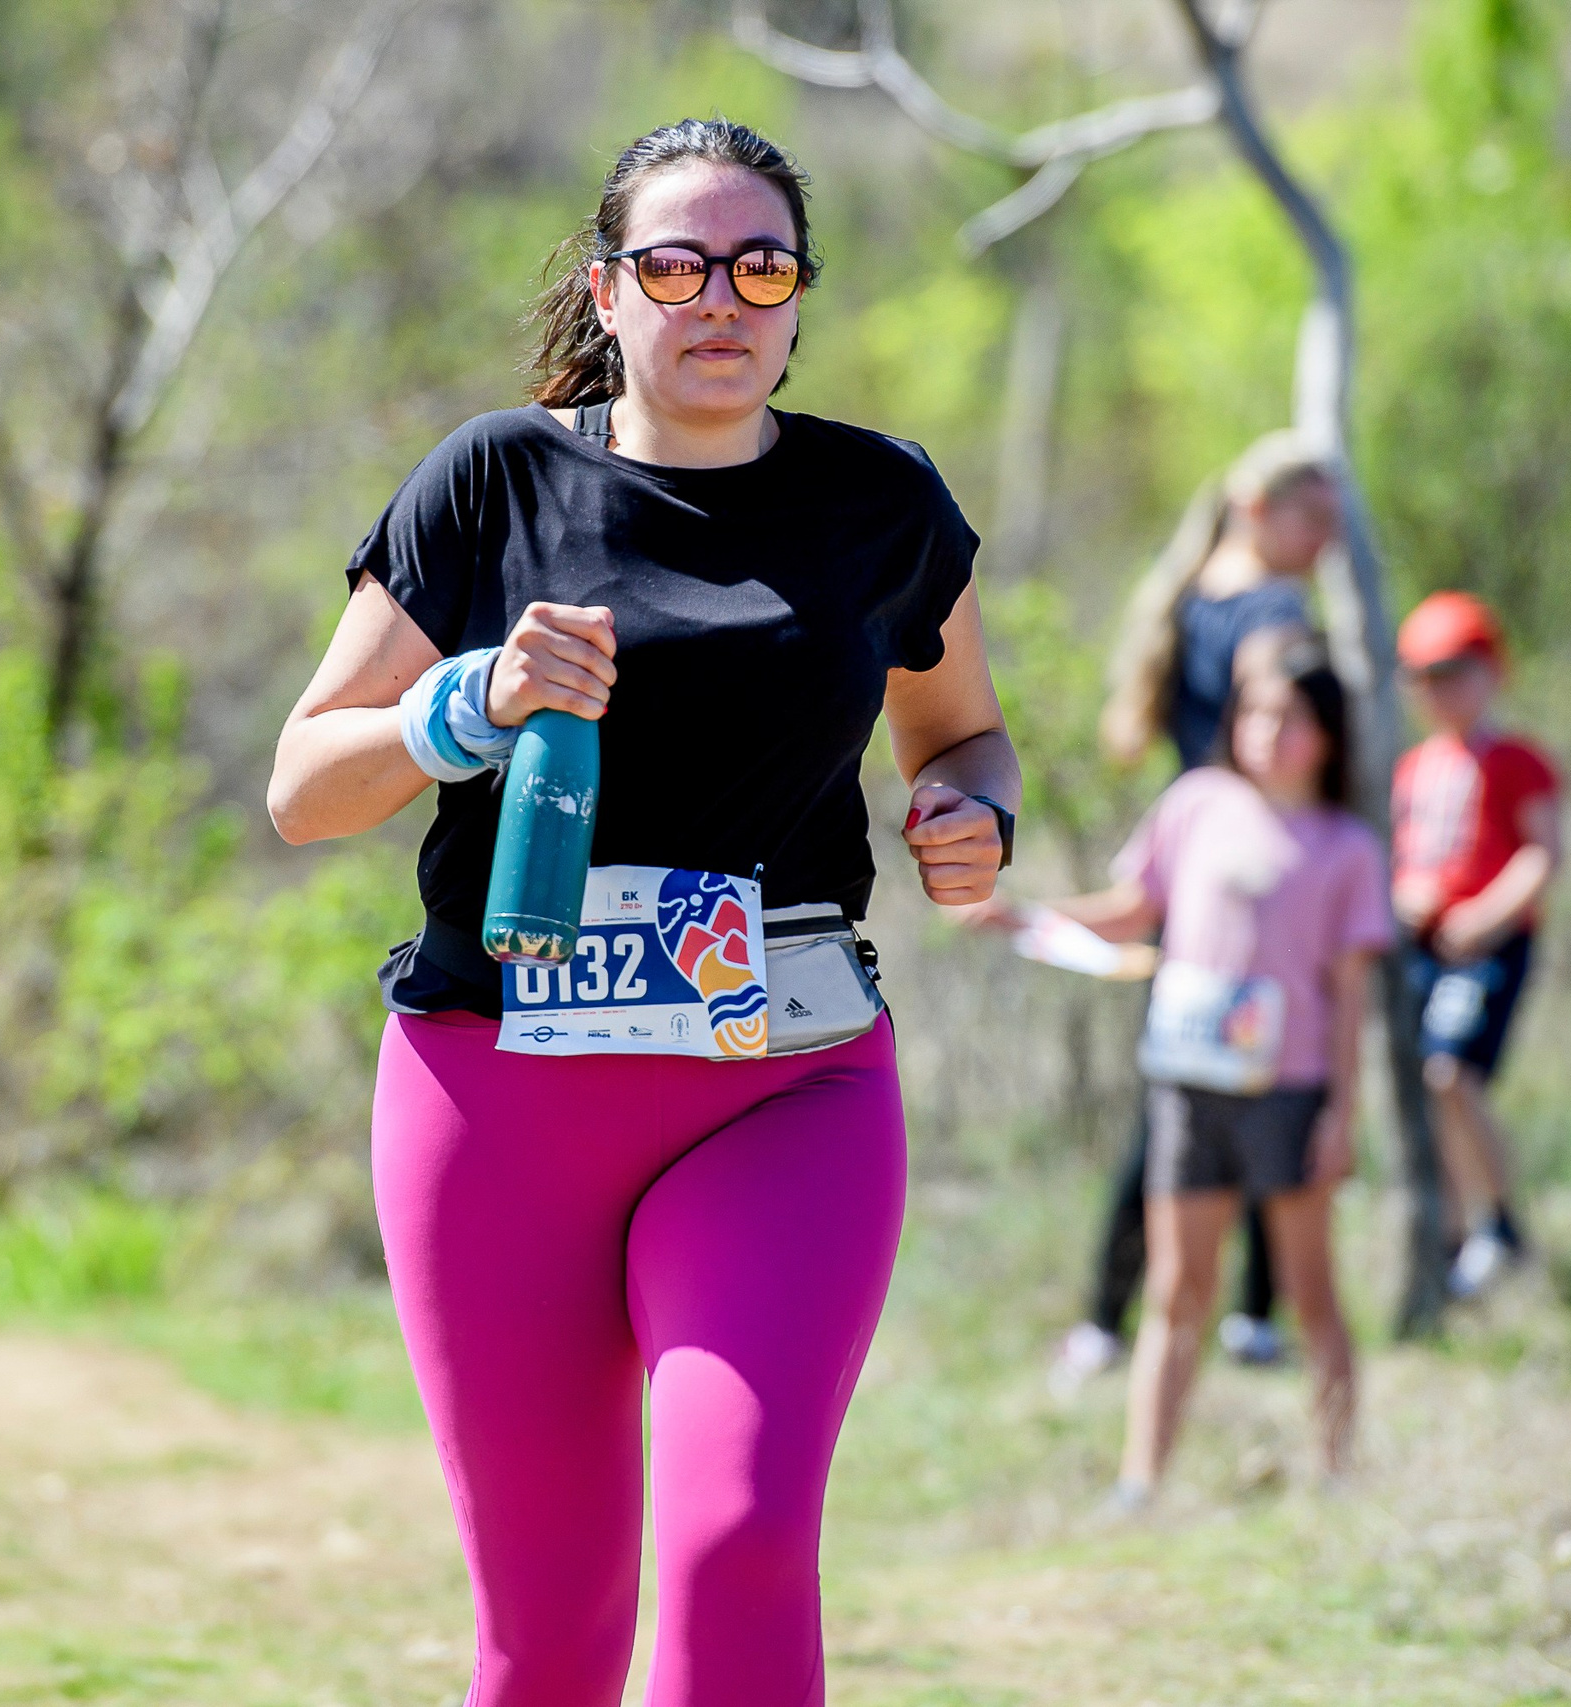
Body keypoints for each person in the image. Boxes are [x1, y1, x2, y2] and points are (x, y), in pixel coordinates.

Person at [266, 118, 1018, 1705]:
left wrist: (975, 812)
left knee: (739, 1542)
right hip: (498, 1093)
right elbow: (304, 785)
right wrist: (459, 706)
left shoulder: (878, 504)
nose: (721, 296)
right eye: (676, 264)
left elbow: (963, 730)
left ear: (802, 296)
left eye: (762, 264)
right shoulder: (494, 478)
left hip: (784, 1084)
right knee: (548, 1634)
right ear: (609, 293)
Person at [982, 637, 1388, 1492]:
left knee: (1311, 1293)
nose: (1270, 731)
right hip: (1187, 1087)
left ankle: (1338, 1474)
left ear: (1330, 733)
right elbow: (1133, 910)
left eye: (1293, 717)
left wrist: (1341, 1117)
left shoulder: (1347, 847)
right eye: (1256, 712)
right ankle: (1143, 1482)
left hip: (1290, 1091)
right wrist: (1024, 917)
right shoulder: (1196, 804)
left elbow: (1351, 1000)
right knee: (1178, 1287)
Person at [1053, 432, 1344, 1389]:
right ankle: (1251, 1316)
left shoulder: (1185, 594)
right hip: (1257, 881)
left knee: (1182, 1100)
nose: (1327, 541)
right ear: (1262, 508)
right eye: (1316, 518)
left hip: (1191, 878)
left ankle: (1110, 1315)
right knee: (1264, 1088)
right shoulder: (1273, 612)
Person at [1389, 591, 1563, 1298]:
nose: (1443, 690)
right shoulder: (1411, 767)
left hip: (1488, 944)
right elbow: (1405, 856)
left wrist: (1486, 917)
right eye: (1428, 676)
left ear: (1493, 672)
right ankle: (1452, 1229)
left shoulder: (1517, 759)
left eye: (1458, 671)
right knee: (1424, 1088)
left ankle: (1501, 1223)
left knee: (1450, 1072)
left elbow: (1542, 853)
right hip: (1423, 945)